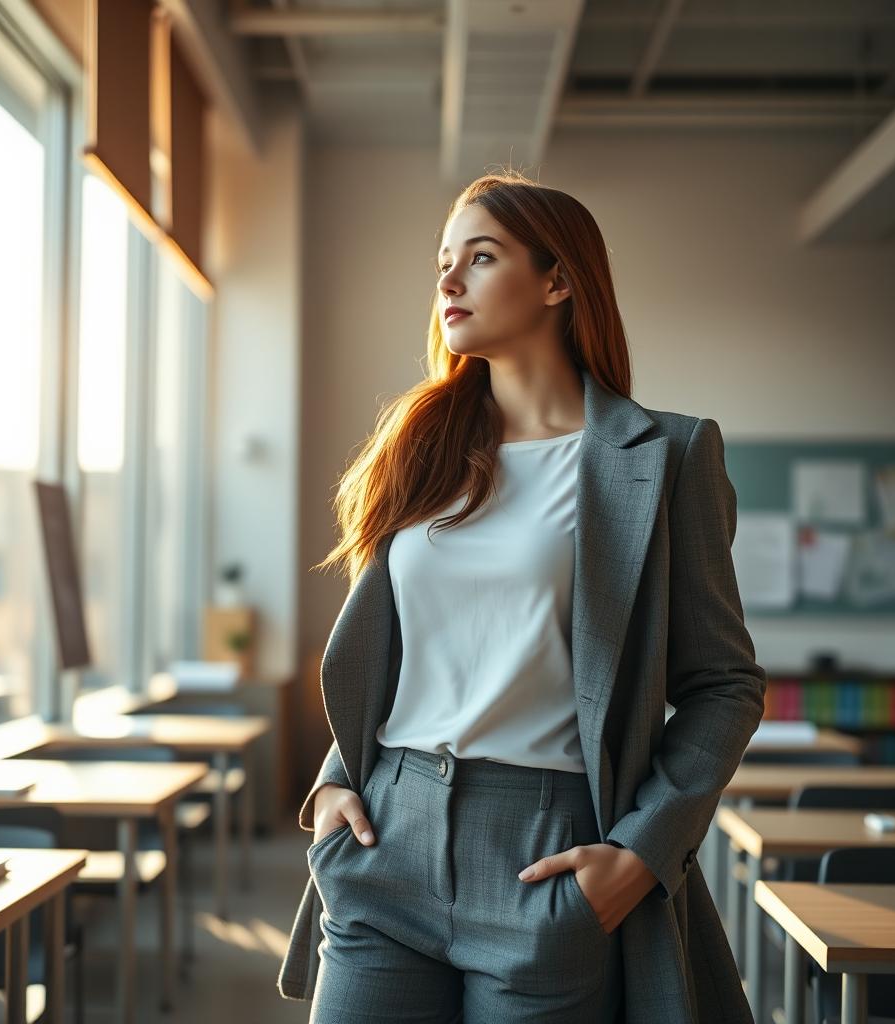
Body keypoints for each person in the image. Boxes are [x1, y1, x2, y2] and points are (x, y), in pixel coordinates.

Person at [277, 171, 766, 1023]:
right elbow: (393, 655)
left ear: (558, 279)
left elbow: (724, 686)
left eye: (481, 256)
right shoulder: (418, 449)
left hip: (548, 855)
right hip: (386, 836)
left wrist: (642, 855)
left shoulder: (670, 456)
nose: (448, 281)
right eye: (443, 261)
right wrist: (331, 785)